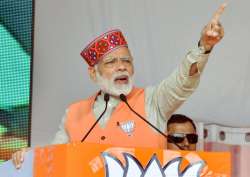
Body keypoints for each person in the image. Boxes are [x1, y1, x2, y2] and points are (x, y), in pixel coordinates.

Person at [12, 3, 226, 168]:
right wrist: (30, 156)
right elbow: (56, 156)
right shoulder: (73, 113)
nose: (121, 67)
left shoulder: (153, 101)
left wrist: (204, 47)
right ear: (93, 73)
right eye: (111, 62)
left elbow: (183, 81)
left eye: (126, 61)